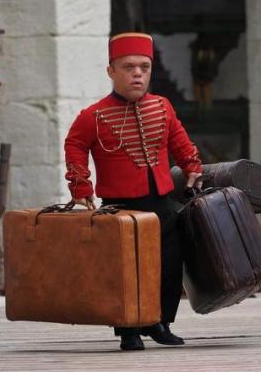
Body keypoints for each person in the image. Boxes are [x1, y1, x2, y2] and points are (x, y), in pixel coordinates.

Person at [64, 32, 203, 351]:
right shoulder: (93, 116)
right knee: (124, 270)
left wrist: (192, 163)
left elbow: (178, 140)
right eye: (128, 67)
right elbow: (74, 144)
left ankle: (160, 322)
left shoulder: (163, 106)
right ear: (111, 71)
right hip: (120, 207)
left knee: (168, 263)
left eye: (144, 66)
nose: (137, 73)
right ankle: (128, 331)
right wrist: (80, 184)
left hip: (162, 203)